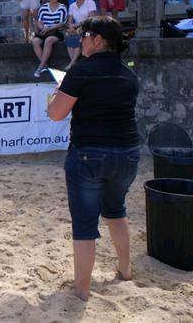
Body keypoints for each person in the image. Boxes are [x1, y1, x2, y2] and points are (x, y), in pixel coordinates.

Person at [47, 16, 140, 302]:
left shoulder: (82, 71)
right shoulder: (128, 73)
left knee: (85, 225)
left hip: (89, 153)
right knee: (116, 211)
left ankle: (83, 290)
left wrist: (54, 96)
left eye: (84, 35)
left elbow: (56, 114)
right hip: (127, 153)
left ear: (98, 40)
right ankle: (125, 269)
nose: (80, 40)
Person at [32, 0, 68, 78]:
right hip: (44, 30)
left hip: (56, 31)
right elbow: (39, 21)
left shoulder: (62, 8)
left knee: (49, 40)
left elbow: (61, 23)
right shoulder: (43, 7)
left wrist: (49, 29)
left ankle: (40, 67)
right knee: (35, 41)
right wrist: (43, 28)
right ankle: (45, 65)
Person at [65, 0, 97, 70]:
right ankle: (74, 63)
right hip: (77, 29)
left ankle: (72, 64)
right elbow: (70, 21)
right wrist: (71, 27)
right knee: (69, 36)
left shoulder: (90, 3)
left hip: (89, 29)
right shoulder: (72, 5)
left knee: (81, 37)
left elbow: (91, 19)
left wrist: (78, 24)